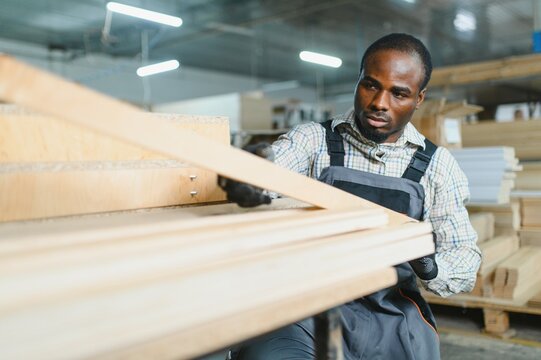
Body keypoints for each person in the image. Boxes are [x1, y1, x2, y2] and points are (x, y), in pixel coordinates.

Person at [220, 33, 481, 360]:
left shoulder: (438, 167)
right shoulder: (314, 141)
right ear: (358, 79)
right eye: (371, 85)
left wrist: (430, 266)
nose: (380, 103)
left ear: (419, 98)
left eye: (399, 93)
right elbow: (274, 170)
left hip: (390, 312)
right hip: (308, 303)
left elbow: (465, 260)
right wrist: (251, 176)